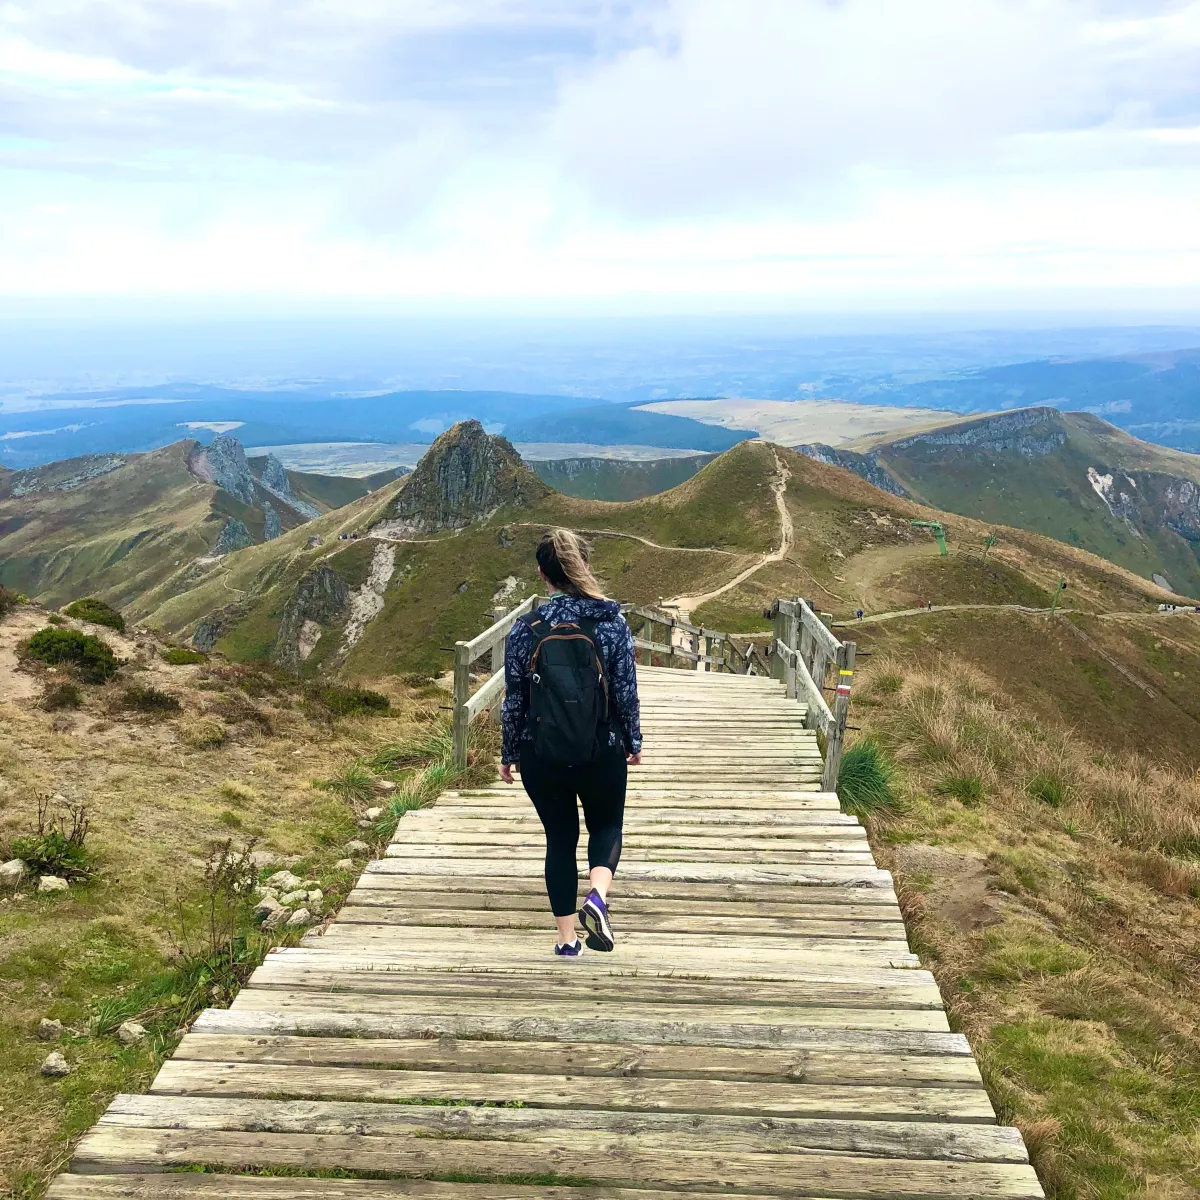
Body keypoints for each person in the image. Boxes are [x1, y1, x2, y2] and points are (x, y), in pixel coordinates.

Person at [499, 528, 642, 958]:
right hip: (602, 745)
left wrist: (509, 752)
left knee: (559, 839)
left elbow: (515, 700)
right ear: (584, 566)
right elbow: (624, 690)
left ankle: (566, 940)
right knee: (606, 826)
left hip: (541, 752)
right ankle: (597, 895)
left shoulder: (527, 629)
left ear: (542, 574)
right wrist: (633, 739)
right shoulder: (611, 623)